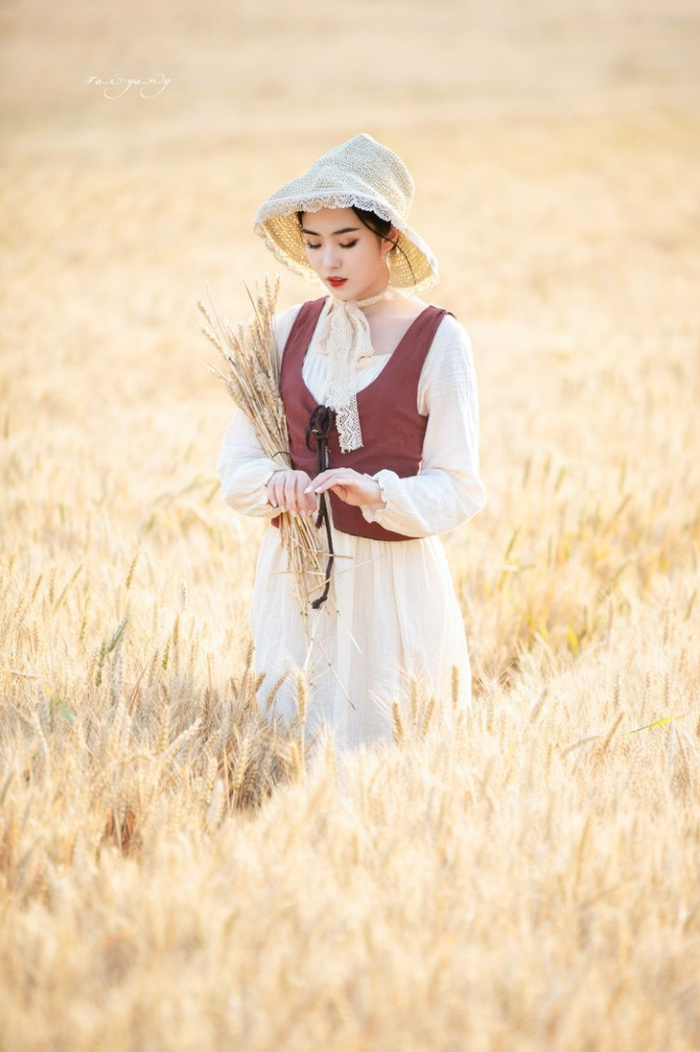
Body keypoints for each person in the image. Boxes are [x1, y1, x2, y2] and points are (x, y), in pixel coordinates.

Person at [216, 132, 486, 753]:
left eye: (347, 242)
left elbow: (461, 486)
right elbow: (236, 464)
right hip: (296, 583)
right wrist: (274, 483)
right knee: (289, 754)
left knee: (388, 761)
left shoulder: (438, 341)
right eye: (313, 244)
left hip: (391, 587)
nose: (327, 262)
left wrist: (376, 492)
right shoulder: (286, 331)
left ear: (388, 236)